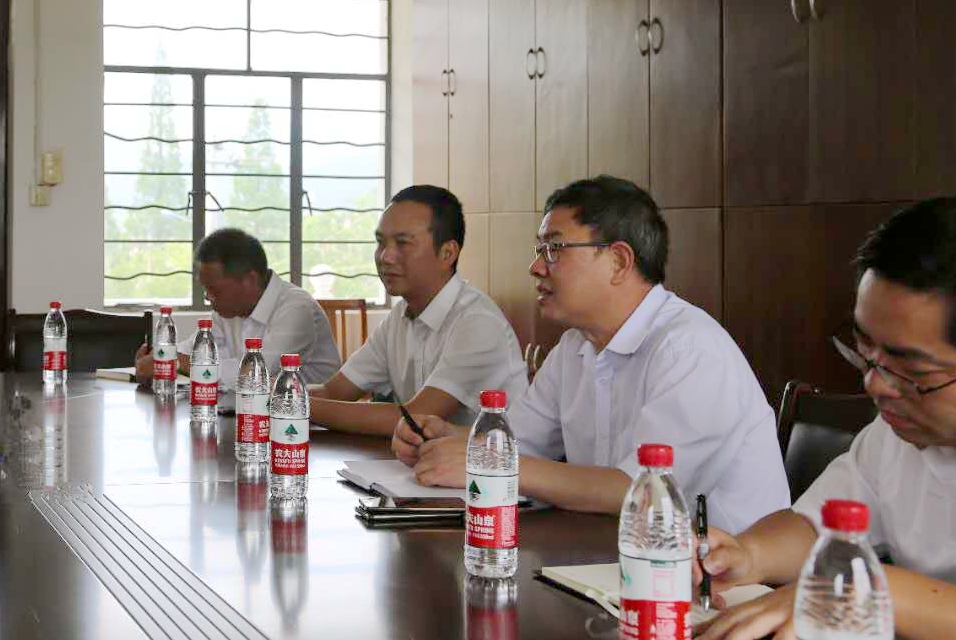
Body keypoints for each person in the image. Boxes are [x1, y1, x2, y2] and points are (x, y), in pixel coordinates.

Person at [397, 176, 788, 534]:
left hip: (718, 577)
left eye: (554, 249)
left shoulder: (690, 349)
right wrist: (445, 439)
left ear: (619, 261)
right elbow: (520, 441)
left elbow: (639, 490)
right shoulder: (575, 346)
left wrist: (493, 463)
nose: (535, 267)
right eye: (539, 250)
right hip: (609, 554)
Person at [696, 199, 956, 640]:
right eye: (865, 351)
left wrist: (868, 588)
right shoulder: (898, 435)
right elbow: (817, 526)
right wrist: (748, 555)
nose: (875, 384)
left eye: (912, 371)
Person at [310, 185, 527, 434]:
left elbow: (415, 418)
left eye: (403, 243)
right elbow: (333, 392)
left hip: (494, 459)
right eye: (380, 242)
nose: (385, 257)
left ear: (447, 253)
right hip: (424, 456)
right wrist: (280, 393)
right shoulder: (399, 317)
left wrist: (297, 406)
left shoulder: (478, 322)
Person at [133, 228, 340, 385]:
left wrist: (173, 362)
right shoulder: (226, 311)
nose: (207, 297)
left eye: (214, 290)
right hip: (247, 414)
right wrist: (154, 360)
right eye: (205, 288)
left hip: (312, 423)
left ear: (250, 280)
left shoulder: (297, 308)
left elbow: (256, 373)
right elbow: (190, 352)